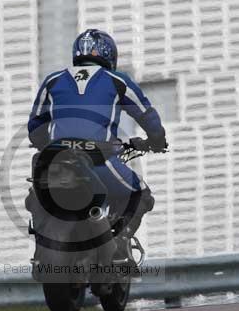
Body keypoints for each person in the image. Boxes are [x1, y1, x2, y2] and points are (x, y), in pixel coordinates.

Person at [27, 29, 169, 261]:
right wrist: (157, 140)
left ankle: (41, 242)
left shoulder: (52, 81)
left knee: (36, 192)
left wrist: (48, 144)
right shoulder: (117, 80)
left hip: (54, 159)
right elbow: (146, 114)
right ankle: (121, 241)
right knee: (141, 194)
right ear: (109, 54)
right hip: (97, 157)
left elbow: (35, 127)